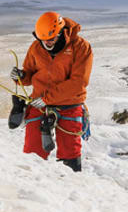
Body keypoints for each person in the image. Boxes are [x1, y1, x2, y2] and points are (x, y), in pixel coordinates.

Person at [11, 11, 93, 172]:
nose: (47, 43)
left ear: (61, 32)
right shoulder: (36, 47)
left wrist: (48, 98)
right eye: (43, 40)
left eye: (52, 39)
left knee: (70, 152)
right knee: (32, 151)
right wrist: (21, 76)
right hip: (39, 102)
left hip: (69, 104)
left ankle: (70, 183)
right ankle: (33, 184)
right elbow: (29, 74)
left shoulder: (81, 47)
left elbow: (79, 82)